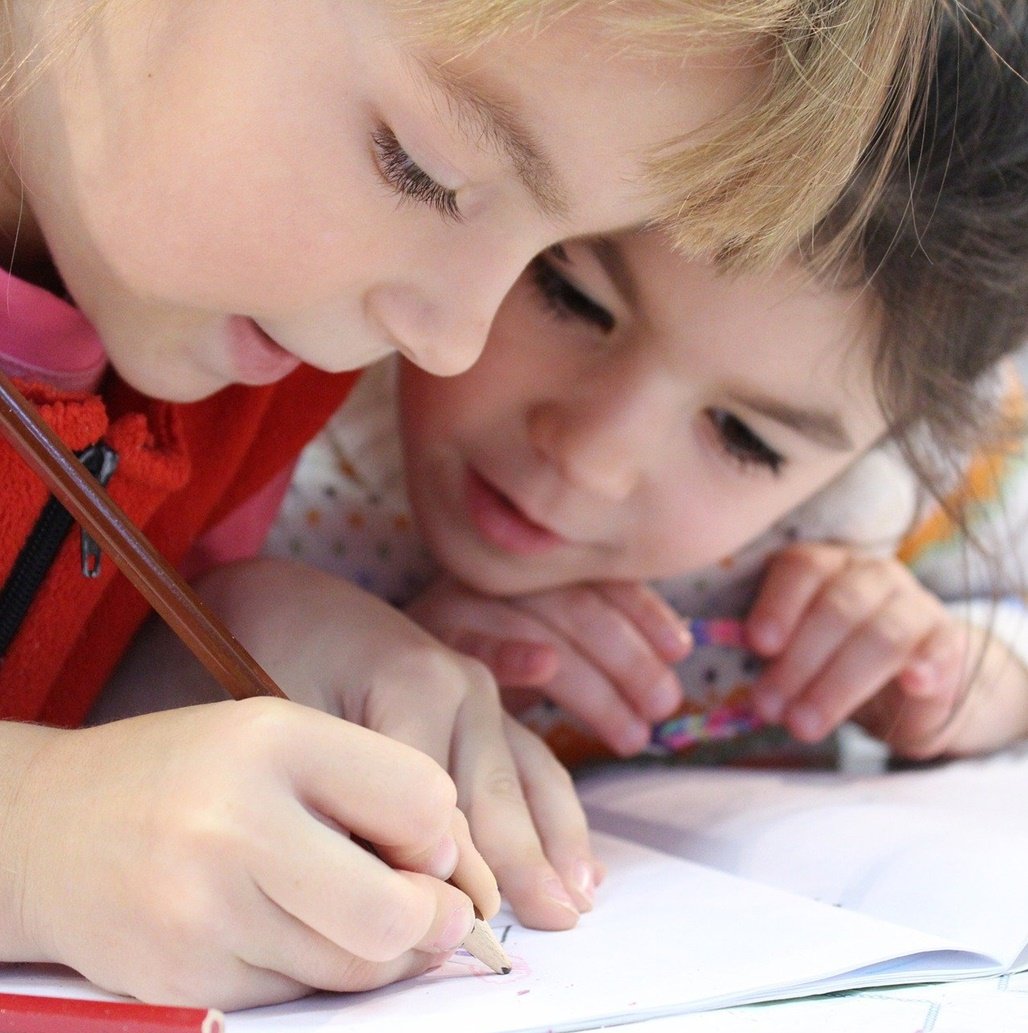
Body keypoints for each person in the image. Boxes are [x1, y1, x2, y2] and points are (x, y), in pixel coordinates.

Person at [0, 0, 936, 1010]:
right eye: (422, 171)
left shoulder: (249, 362)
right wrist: (36, 833)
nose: (450, 343)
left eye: (547, 250)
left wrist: (192, 657)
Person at [265, 0, 1028, 772]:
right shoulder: (277, 392)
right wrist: (354, 660)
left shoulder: (913, 495)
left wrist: (977, 674)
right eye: (571, 298)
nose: (591, 459)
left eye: (743, 437)